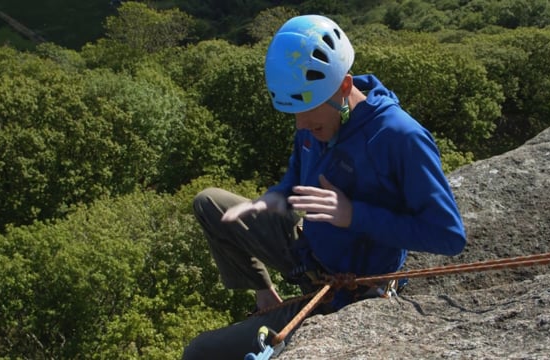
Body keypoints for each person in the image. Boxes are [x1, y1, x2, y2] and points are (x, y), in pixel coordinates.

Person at [182, 14, 466, 360]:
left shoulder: (399, 138)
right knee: (211, 203)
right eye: (297, 115)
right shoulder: (314, 115)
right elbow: (294, 181)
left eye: (310, 119)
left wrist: (353, 215)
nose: (301, 125)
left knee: (199, 353)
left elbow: (449, 235)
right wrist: (270, 200)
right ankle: (265, 294)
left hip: (351, 289)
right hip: (309, 255)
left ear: (344, 88)